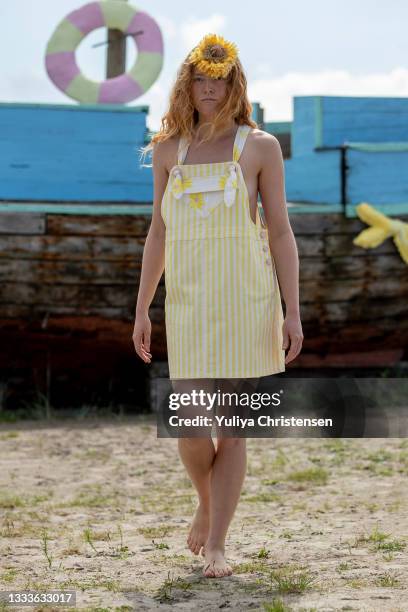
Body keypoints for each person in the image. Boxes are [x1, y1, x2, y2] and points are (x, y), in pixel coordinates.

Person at [133, 33, 303, 578]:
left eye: (219, 80)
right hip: (187, 302)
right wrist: (142, 310)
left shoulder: (259, 147)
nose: (209, 90)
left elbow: (279, 230)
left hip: (247, 298)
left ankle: (218, 545)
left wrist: (292, 310)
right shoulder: (167, 151)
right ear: (188, 85)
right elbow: (157, 234)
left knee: (233, 427)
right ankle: (207, 504)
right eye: (200, 81)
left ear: (235, 84)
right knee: (189, 423)